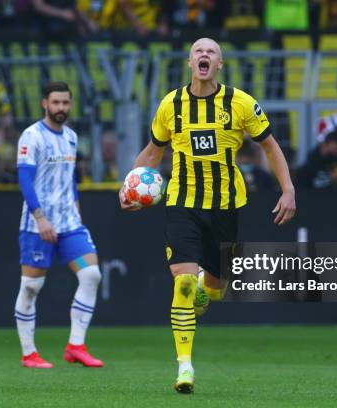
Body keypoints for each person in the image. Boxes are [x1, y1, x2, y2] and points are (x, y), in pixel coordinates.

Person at [119, 38, 296, 393]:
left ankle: (207, 287)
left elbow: (270, 146)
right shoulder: (172, 105)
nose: (204, 55)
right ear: (189, 62)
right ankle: (185, 368)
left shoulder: (241, 103)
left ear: (220, 64)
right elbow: (153, 152)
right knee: (182, 283)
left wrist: (288, 188)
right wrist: (128, 185)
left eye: (211, 52)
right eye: (198, 51)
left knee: (215, 290)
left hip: (225, 206)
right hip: (182, 202)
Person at [15, 82, 104, 369]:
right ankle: (29, 353)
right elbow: (25, 179)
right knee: (31, 287)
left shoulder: (71, 138)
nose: (61, 108)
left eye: (65, 103)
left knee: (92, 275)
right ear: (45, 103)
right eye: (56, 103)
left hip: (69, 223)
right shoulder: (32, 136)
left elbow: (70, 179)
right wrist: (40, 218)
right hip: (37, 224)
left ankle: (76, 345)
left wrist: (76, 211)